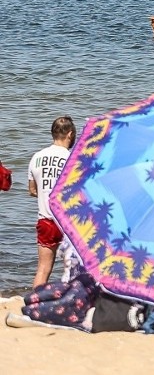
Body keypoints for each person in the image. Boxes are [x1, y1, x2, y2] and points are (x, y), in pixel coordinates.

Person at [28, 116, 76, 288]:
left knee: (43, 269)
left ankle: (33, 306)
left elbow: (32, 190)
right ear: (70, 134)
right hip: (67, 222)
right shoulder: (72, 159)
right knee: (72, 270)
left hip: (46, 220)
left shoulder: (37, 157)